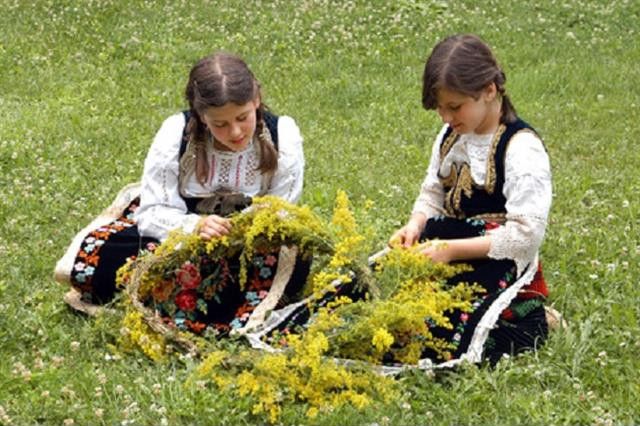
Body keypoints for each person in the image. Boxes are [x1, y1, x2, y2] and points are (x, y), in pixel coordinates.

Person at [58, 52, 306, 331]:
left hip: (249, 244)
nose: (235, 131)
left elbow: (282, 212)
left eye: (242, 117)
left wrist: (242, 231)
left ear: (256, 100)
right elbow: (152, 211)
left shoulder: (283, 135)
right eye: (220, 124)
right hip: (180, 232)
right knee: (110, 253)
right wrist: (195, 226)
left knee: (284, 264)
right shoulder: (176, 131)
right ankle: (214, 309)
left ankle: (195, 303)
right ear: (202, 116)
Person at [389, 34, 553, 366]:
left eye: (454, 106)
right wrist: (415, 225)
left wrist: (451, 250)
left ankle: (533, 315)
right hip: (451, 252)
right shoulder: (451, 136)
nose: (446, 118)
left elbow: (525, 237)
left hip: (501, 263)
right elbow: (433, 192)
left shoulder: (521, 149)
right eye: (440, 108)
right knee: (397, 323)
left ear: (490, 90)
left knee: (449, 341)